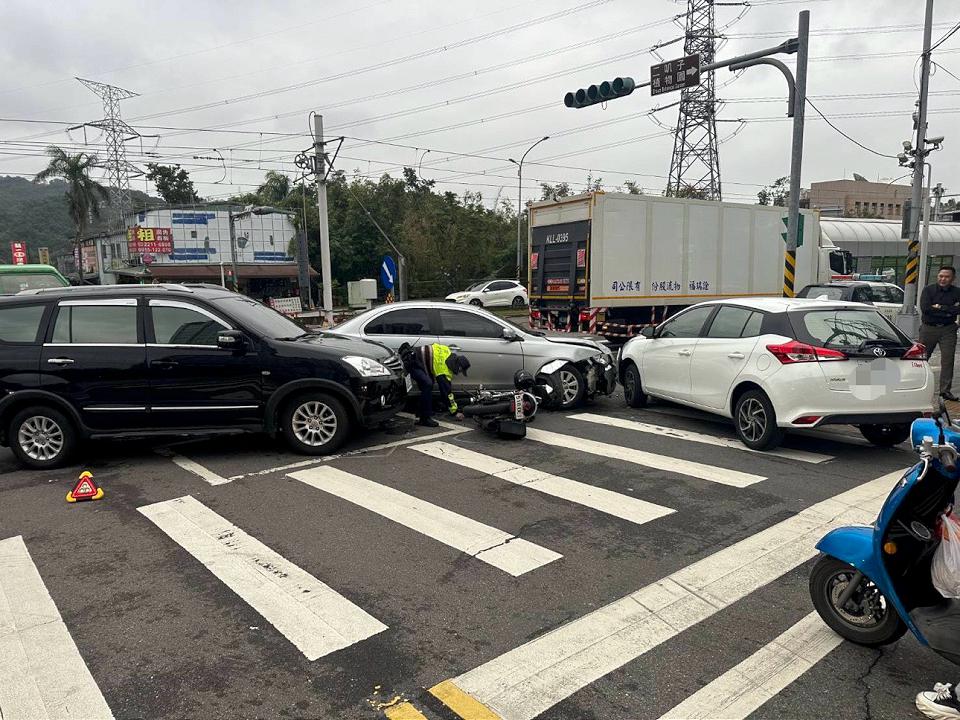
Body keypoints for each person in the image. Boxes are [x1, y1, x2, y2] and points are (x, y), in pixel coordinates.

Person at [399, 342, 470, 427]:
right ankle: (425, 419)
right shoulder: (443, 370)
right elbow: (446, 393)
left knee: (428, 383)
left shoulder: (447, 351)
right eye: (460, 370)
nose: (459, 373)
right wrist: (455, 411)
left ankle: (422, 411)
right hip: (411, 361)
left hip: (413, 355)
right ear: (458, 366)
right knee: (427, 384)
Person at [920, 266, 960, 402]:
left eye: (947, 277)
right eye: (941, 276)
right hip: (928, 328)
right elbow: (926, 309)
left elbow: (958, 310)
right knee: (921, 358)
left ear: (953, 278)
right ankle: (919, 385)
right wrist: (949, 311)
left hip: (948, 329)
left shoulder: (957, 292)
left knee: (948, 360)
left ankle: (945, 391)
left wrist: (940, 307)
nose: (943, 279)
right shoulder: (928, 290)